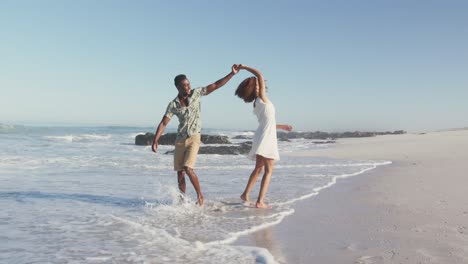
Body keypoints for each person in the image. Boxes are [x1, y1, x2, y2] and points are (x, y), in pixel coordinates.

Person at [152, 64, 240, 206]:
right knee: (180, 172)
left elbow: (216, 85)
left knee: (188, 168)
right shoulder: (173, 105)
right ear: (177, 87)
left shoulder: (196, 93)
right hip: (180, 140)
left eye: (188, 84)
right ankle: (182, 199)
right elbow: (163, 123)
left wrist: (232, 74)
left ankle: (200, 196)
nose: (188, 87)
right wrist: (155, 140)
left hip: (194, 138)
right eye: (184, 86)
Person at [235, 64, 292, 209]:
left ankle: (245, 194)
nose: (261, 85)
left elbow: (267, 122)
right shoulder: (261, 99)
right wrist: (243, 67)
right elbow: (260, 74)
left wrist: (282, 126)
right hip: (266, 137)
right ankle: (260, 201)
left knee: (259, 168)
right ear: (255, 88)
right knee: (268, 170)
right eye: (258, 85)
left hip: (263, 134)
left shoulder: (257, 103)